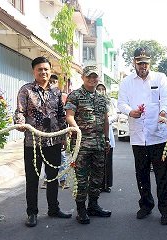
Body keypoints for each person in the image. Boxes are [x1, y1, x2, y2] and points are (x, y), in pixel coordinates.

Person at [117, 47, 167, 225]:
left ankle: (165, 210)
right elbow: (121, 103)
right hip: (138, 137)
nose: (143, 66)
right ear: (134, 62)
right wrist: (130, 111)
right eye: (139, 62)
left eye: (146, 62)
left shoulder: (160, 78)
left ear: (150, 63)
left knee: (163, 176)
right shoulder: (127, 82)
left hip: (158, 135)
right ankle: (146, 204)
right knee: (141, 174)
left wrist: (163, 111)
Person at [14, 56, 72, 228]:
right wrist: (19, 123)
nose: (43, 72)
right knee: (32, 179)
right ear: (34, 71)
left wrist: (63, 137)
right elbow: (19, 112)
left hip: (53, 142)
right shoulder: (26, 90)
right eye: (40, 69)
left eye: (46, 69)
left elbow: (61, 116)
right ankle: (32, 213)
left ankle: (54, 208)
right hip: (32, 144)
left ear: (50, 71)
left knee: (53, 178)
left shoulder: (56, 92)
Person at [65, 65, 111, 224]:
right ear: (83, 77)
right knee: (82, 179)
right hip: (82, 145)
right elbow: (69, 116)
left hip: (98, 144)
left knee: (98, 177)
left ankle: (93, 205)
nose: (92, 79)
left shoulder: (102, 98)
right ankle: (81, 210)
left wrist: (106, 139)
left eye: (95, 77)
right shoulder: (75, 95)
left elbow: (105, 120)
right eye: (89, 76)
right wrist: (76, 129)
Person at [41, 74, 69, 189]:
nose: (52, 83)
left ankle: (63, 180)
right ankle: (48, 179)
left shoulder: (61, 96)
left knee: (61, 157)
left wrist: (64, 136)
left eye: (54, 81)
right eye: (50, 81)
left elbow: (63, 117)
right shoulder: (41, 95)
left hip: (57, 135)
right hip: (44, 134)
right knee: (45, 159)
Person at [96, 83, 118, 193]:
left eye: (102, 89)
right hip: (96, 135)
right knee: (98, 162)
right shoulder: (93, 100)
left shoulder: (110, 102)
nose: (100, 91)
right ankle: (97, 185)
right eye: (98, 89)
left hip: (108, 134)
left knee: (107, 162)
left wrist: (108, 119)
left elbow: (115, 115)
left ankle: (106, 184)